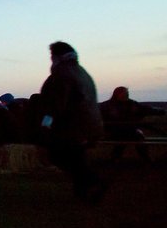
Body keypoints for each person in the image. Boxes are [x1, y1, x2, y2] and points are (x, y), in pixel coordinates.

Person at [39, 41, 105, 200]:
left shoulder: (62, 74)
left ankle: (92, 180)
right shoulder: (81, 72)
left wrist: (45, 124)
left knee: (57, 155)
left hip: (72, 126)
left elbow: (56, 104)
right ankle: (82, 192)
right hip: (89, 124)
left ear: (57, 56)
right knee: (77, 157)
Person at [100, 86, 159, 163]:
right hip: (113, 132)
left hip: (129, 131)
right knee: (131, 135)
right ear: (117, 94)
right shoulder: (106, 106)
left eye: (127, 93)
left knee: (134, 136)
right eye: (124, 93)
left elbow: (147, 109)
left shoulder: (133, 104)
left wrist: (160, 111)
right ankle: (145, 159)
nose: (127, 95)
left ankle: (116, 158)